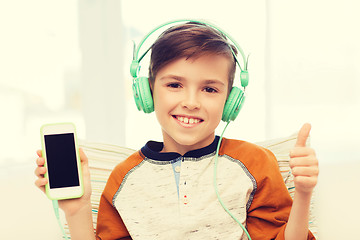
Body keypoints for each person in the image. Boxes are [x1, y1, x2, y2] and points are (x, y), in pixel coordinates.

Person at [35, 21, 319, 240]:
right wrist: (77, 210)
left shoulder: (256, 163)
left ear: (230, 101)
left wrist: (303, 193)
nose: (191, 103)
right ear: (147, 92)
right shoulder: (123, 178)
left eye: (209, 89)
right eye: (174, 85)